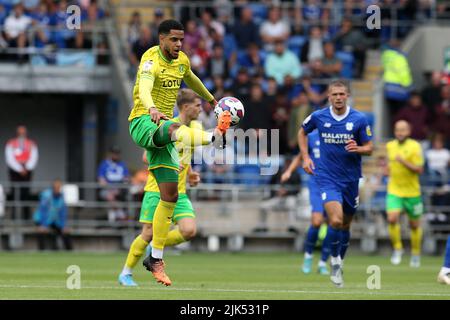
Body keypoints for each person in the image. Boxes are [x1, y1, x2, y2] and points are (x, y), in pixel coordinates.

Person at [127, 19, 231, 286]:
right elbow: (146, 87)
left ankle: (156, 258)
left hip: (163, 127)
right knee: (175, 128)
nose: (178, 44)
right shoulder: (150, 60)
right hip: (143, 121)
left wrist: (210, 99)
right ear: (161, 39)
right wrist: (150, 108)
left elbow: (191, 78)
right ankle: (213, 135)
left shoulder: (182, 60)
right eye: (174, 40)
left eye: (181, 40)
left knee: (171, 195)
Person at [119, 89, 214, 286]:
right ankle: (126, 273)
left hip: (180, 191)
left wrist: (190, 174)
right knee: (147, 233)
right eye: (197, 105)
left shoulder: (196, 126)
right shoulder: (168, 127)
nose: (200, 109)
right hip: (157, 189)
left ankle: (155, 247)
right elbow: (146, 157)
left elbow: (186, 156)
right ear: (186, 107)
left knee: (188, 230)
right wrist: (170, 162)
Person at [299, 80, 373, 287]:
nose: (338, 97)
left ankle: (340, 259)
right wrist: (305, 157)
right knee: (336, 220)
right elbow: (302, 132)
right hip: (327, 176)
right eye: (334, 94)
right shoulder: (319, 116)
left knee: (346, 224)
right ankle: (333, 260)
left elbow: (370, 148)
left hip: (351, 178)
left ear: (347, 95)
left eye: (342, 94)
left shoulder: (359, 119)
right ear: (328, 97)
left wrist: (358, 148)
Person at [281, 129, 331, 275]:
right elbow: (300, 156)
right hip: (316, 183)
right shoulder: (312, 137)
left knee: (333, 223)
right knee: (316, 221)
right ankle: (308, 256)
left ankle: (323, 262)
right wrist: (288, 171)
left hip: (333, 183)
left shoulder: (337, 135)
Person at [385, 120, 425, 268]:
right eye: (397, 130)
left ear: (409, 131)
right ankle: (397, 248)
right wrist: (386, 170)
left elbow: (420, 170)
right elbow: (389, 165)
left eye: (403, 130)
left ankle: (415, 253)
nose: (400, 133)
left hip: (413, 192)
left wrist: (403, 162)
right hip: (394, 190)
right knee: (392, 218)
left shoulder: (415, 146)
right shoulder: (390, 146)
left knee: (414, 225)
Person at [5, 125, 38, 220]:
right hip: (15, 172)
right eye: (20, 133)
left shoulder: (31, 144)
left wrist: (26, 168)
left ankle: (26, 217)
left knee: (26, 194)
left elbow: (34, 157)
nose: (21, 135)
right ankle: (13, 217)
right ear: (17, 133)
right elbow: (9, 159)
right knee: (14, 193)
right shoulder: (11, 143)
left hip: (27, 172)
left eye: (23, 133)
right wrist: (19, 169)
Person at [33, 179, 73, 251]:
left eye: (59, 187)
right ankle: (41, 252)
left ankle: (70, 253)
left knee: (66, 232)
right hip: (43, 220)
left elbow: (63, 212)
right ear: (53, 187)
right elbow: (43, 211)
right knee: (41, 232)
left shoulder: (62, 197)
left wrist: (64, 226)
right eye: (56, 187)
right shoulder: (46, 196)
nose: (58, 189)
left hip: (55, 221)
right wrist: (43, 225)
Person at [97, 146, 130, 222]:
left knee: (117, 194)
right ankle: (121, 215)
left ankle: (116, 217)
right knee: (109, 195)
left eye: (117, 153)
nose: (115, 155)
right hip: (107, 189)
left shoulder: (122, 164)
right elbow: (101, 180)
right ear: (110, 154)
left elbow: (127, 178)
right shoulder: (104, 164)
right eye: (114, 153)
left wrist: (120, 186)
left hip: (120, 188)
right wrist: (110, 188)